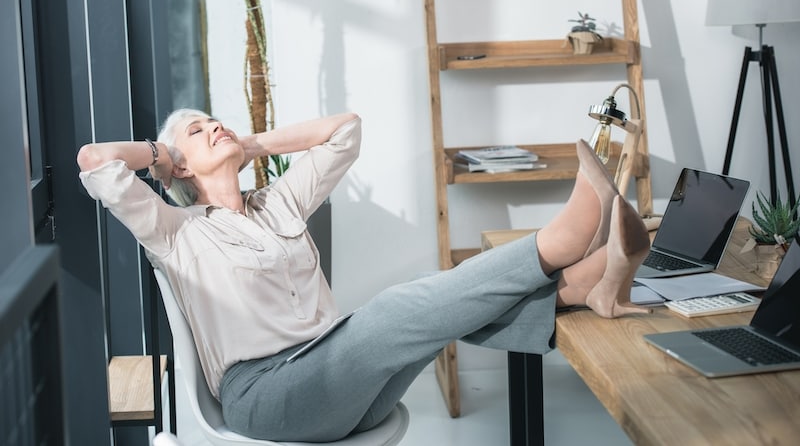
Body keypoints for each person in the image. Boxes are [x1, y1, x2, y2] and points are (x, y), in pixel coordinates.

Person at [77, 110, 651, 442]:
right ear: (180, 167)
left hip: (342, 385)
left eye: (216, 119)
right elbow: (92, 161)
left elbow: (345, 130)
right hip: (269, 396)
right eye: (199, 132)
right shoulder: (176, 230)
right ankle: (564, 246)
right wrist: (157, 153)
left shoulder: (276, 204)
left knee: (434, 311)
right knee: (397, 309)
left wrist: (254, 143)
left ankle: (579, 288)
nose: (216, 126)